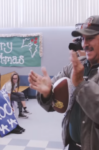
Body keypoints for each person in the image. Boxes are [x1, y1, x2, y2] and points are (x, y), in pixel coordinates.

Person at [28, 15, 99, 150]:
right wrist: (48, 94)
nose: (85, 44)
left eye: (90, 38)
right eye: (83, 39)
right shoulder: (73, 67)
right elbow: (54, 104)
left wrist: (81, 85)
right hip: (73, 145)